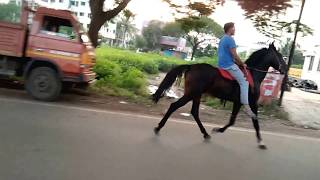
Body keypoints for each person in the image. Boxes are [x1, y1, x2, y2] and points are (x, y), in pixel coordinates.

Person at [217, 22, 256, 118]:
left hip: (221, 64)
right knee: (244, 82)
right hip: (228, 65)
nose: (235, 29)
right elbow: (234, 54)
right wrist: (242, 63)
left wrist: (239, 63)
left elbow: (230, 55)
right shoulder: (230, 39)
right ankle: (247, 108)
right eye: (234, 28)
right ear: (230, 29)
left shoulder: (222, 39)